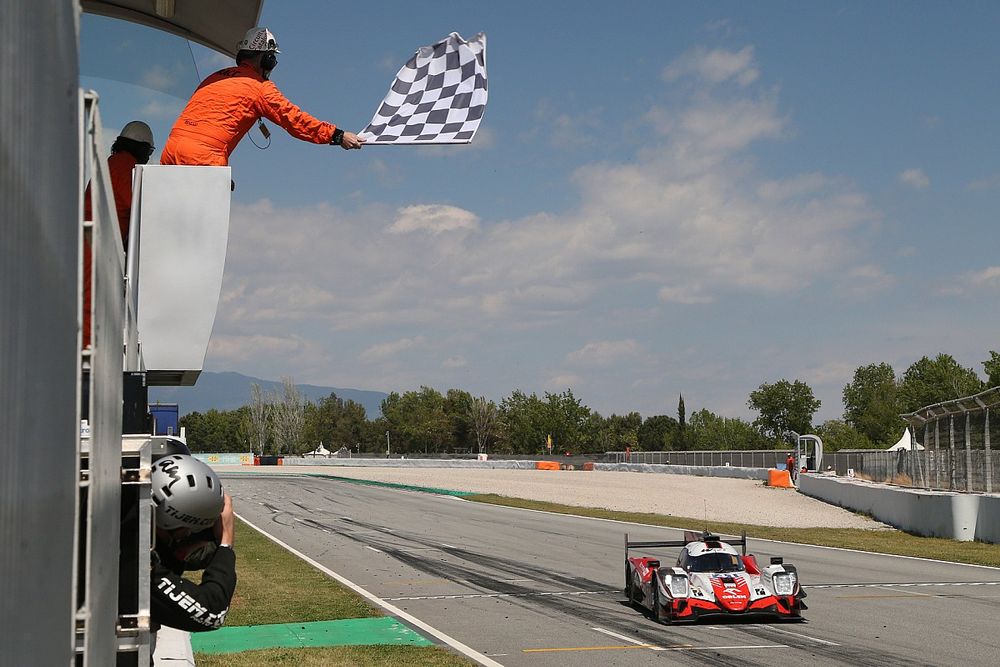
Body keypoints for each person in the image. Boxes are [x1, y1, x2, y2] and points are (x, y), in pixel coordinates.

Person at [160, 27, 363, 169]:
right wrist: (337, 135)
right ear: (267, 59)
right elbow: (294, 119)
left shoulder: (215, 77)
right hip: (203, 157)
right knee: (202, 228)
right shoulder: (259, 87)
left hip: (170, 150)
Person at [82, 121, 155, 349]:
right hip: (97, 247)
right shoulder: (128, 170)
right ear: (143, 148)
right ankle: (88, 360)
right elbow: (140, 210)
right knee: (90, 304)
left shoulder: (109, 165)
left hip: (92, 242)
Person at [150, 454, 237, 636]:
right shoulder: (139, 564)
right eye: (190, 530)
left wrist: (179, 554)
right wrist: (226, 543)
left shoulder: (129, 531)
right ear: (171, 523)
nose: (189, 535)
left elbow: (172, 561)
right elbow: (212, 612)